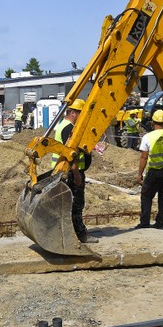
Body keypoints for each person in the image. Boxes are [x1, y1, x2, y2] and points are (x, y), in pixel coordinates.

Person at [52, 99, 98, 244]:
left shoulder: (64, 126)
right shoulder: (68, 129)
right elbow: (70, 154)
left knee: (68, 205)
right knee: (76, 204)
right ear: (73, 113)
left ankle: (68, 233)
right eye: (81, 114)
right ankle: (80, 235)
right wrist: (77, 174)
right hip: (71, 173)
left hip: (66, 172)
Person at [135, 109, 163, 229]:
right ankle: (161, 223)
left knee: (146, 196)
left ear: (152, 122)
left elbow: (144, 157)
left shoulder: (148, 137)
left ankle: (145, 223)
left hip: (154, 171)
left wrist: (139, 174)